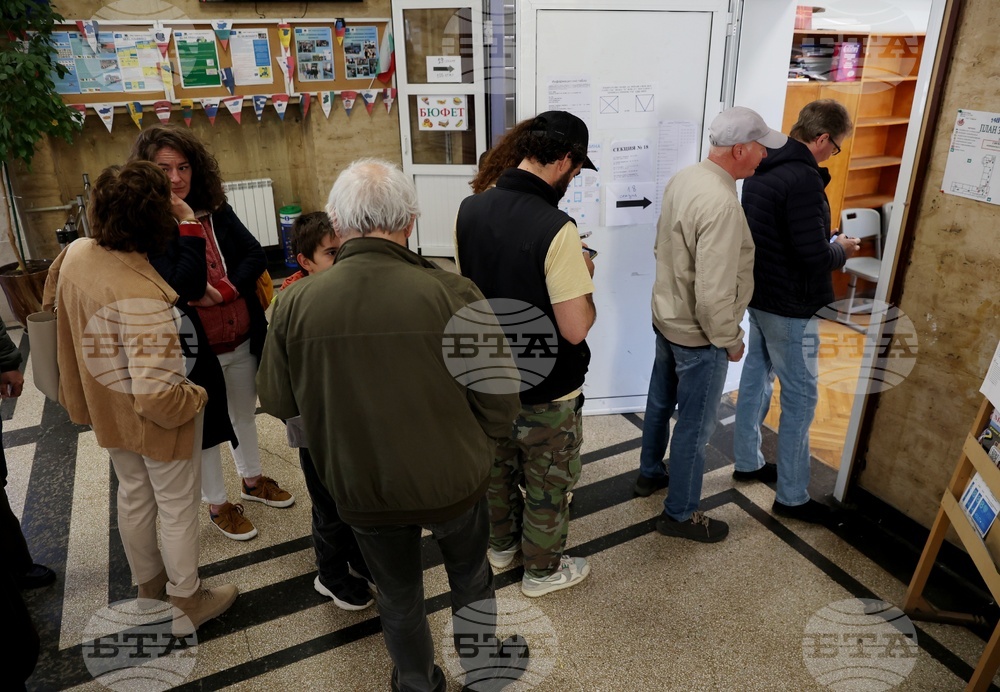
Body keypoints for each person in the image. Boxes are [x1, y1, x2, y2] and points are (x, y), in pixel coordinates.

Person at [258, 159, 528, 692]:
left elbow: (276, 398)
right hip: (454, 478)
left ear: (337, 225)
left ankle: (416, 680)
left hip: (363, 486)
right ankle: (481, 666)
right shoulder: (454, 292)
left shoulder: (296, 303)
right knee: (471, 578)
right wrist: (480, 445)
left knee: (398, 593)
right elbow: (500, 400)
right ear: (410, 221)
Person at [42, 161, 238, 630]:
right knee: (175, 505)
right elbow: (158, 399)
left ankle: (148, 585)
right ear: (156, 220)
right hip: (151, 420)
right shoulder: (144, 296)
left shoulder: (78, 253)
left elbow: (50, 295)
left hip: (106, 404)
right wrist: (197, 398)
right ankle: (187, 598)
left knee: (133, 494)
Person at [456, 111, 596, 598]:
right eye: (576, 172)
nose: (573, 181)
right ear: (562, 161)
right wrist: (584, 275)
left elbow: (470, 291)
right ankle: (541, 572)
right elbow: (574, 328)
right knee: (547, 480)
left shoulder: (470, 209)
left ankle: (500, 547)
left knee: (496, 472)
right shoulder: (557, 227)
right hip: (547, 383)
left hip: (487, 375)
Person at [130, 125, 294, 542]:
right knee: (204, 429)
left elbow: (255, 253)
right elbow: (180, 284)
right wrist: (185, 221)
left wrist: (225, 290)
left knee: (243, 413)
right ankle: (218, 505)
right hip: (193, 348)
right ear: (146, 170)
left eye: (183, 167)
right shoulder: (146, 224)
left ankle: (253, 481)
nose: (176, 178)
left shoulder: (215, 207)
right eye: (163, 168)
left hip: (238, 333)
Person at [637, 106, 786, 543]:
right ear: (740, 149)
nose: (764, 157)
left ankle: (649, 474)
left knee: (660, 402)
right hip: (699, 336)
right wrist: (730, 339)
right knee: (694, 428)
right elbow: (714, 291)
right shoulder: (721, 203)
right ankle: (680, 514)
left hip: (667, 318)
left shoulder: (686, 178)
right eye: (760, 149)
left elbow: (662, 247)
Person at [734, 99, 860, 523]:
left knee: (757, 375)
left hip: (760, 293)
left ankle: (747, 461)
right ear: (822, 138)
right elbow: (811, 256)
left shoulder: (763, 165)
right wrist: (840, 250)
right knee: (802, 398)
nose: (832, 154)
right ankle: (791, 496)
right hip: (789, 303)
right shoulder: (803, 179)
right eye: (836, 147)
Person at [276, 212, 374, 610]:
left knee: (353, 496)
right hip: (315, 425)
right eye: (332, 253)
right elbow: (282, 381)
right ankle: (329, 576)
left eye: (344, 250)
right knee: (328, 505)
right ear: (305, 262)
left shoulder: (347, 293)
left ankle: (358, 558)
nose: (342, 260)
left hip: (350, 421)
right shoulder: (290, 305)